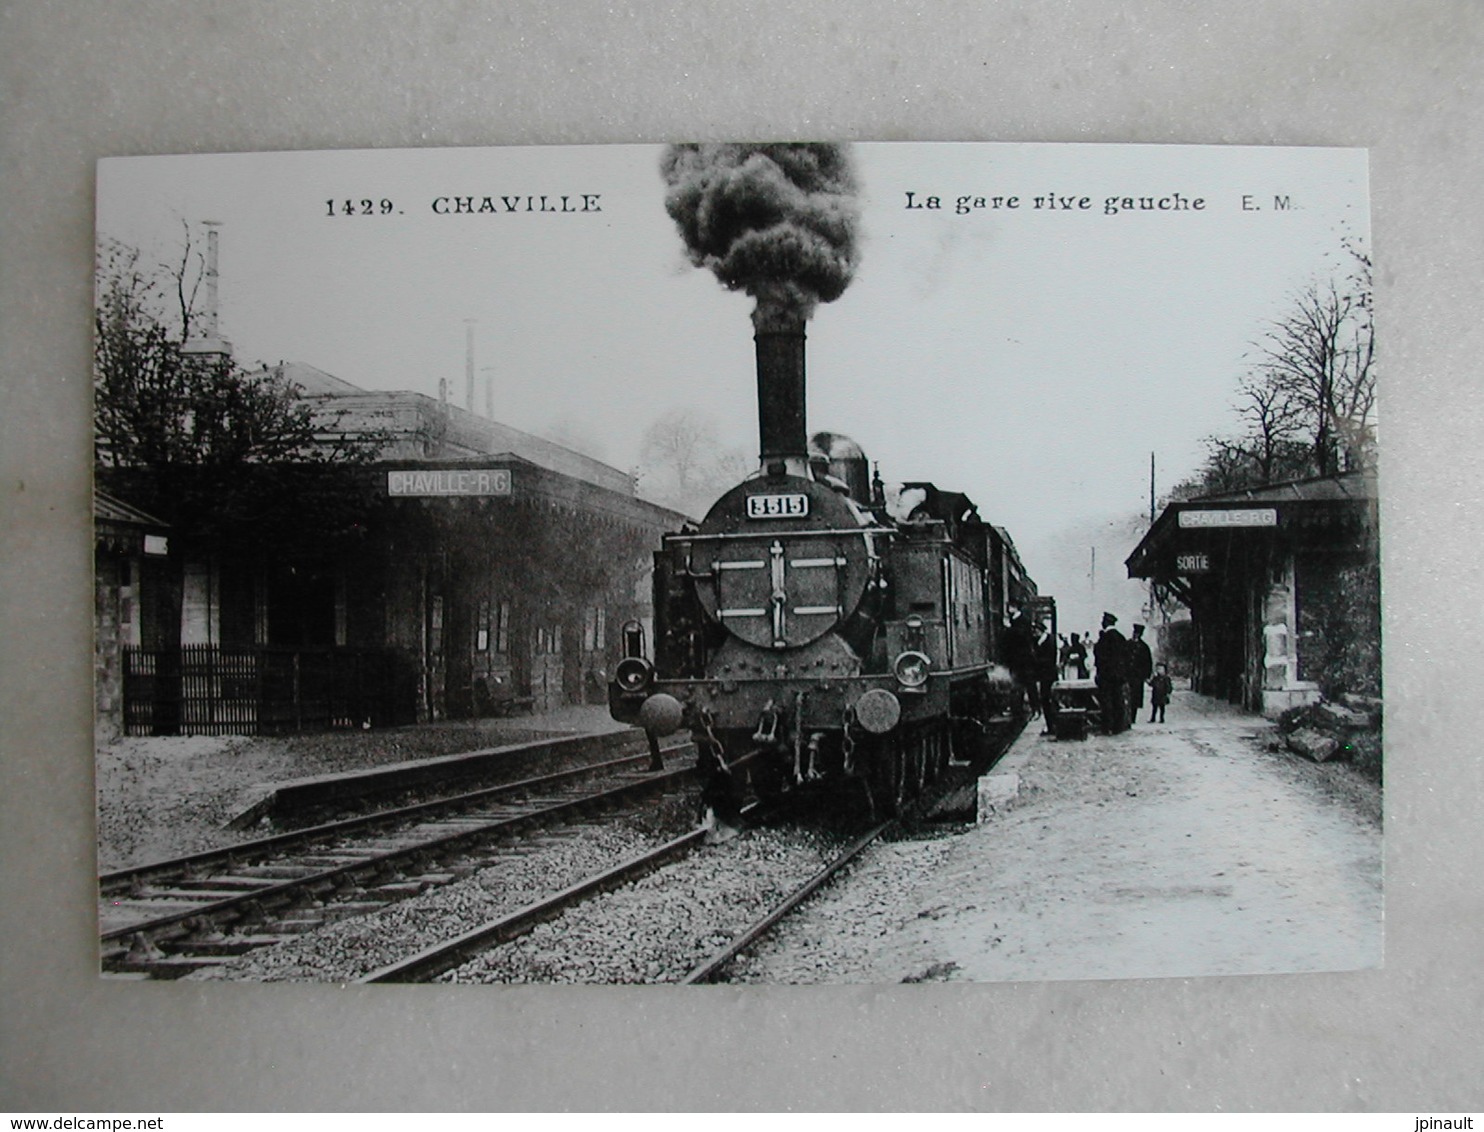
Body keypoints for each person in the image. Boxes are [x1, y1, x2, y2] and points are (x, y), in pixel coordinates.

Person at [1093, 611, 1129, 733]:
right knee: (1118, 699)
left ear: (1105, 623)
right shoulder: (1121, 637)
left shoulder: (1104, 638)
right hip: (1118, 675)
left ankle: (1107, 726)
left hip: (1106, 675)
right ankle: (1118, 727)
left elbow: (1100, 657)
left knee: (1106, 701)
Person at [1126, 623, 1154, 726]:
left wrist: (1146, 676)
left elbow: (1148, 662)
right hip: (1127, 675)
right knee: (1127, 696)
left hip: (1138, 677)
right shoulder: (1127, 644)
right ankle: (1127, 717)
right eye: (1135, 633)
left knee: (1135, 698)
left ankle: (1133, 717)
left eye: (1137, 634)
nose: (1135, 635)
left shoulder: (1144, 647)